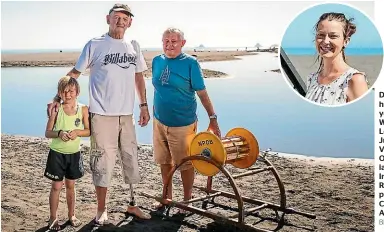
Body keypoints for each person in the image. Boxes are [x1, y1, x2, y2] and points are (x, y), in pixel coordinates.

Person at [48, 3, 151, 224]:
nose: (121, 21)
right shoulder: (95, 45)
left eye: (125, 18)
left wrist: (143, 106)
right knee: (103, 162)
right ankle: (101, 210)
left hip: (127, 115)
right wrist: (57, 98)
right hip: (102, 115)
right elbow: (75, 74)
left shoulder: (133, 46)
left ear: (130, 22)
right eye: (117, 17)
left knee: (130, 157)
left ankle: (132, 204)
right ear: (108, 19)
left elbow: (139, 77)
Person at [151, 27, 221, 211]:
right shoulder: (157, 61)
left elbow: (202, 93)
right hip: (159, 122)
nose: (169, 45)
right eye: (166, 41)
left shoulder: (190, 63)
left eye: (174, 41)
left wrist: (213, 118)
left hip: (183, 124)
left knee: (185, 163)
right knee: (164, 161)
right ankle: (166, 197)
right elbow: (159, 89)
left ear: (182, 43)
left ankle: (187, 200)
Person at [45, 76, 90, 230]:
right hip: (57, 154)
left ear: (77, 91)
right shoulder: (56, 109)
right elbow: (48, 132)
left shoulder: (83, 109)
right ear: (60, 93)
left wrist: (77, 132)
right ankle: (53, 218)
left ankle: (72, 215)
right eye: (64, 92)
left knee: (71, 186)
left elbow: (88, 131)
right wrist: (59, 133)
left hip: (74, 154)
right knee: (56, 187)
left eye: (71, 91)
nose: (68, 94)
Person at [305, 12, 368, 105]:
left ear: (346, 41)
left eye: (333, 36)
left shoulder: (353, 80)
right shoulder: (312, 79)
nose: (325, 41)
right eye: (321, 35)